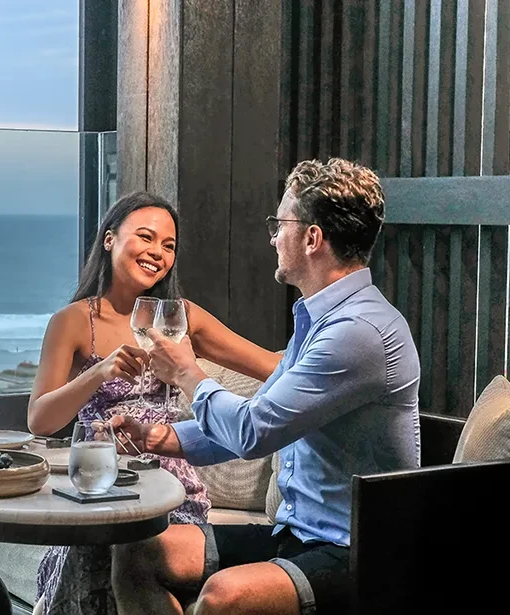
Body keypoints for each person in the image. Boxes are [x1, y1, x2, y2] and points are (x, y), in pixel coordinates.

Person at [110, 159, 421, 615]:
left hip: (356, 551)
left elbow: (253, 432)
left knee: (224, 597)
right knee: (139, 553)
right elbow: (255, 417)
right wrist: (157, 437)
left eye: (280, 224)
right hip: (296, 534)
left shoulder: (359, 331)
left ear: (312, 238)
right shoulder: (319, 320)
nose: (273, 237)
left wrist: (186, 373)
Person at [28, 191, 282, 615]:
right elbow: (39, 420)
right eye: (145, 237)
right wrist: (98, 372)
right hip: (100, 479)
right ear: (109, 239)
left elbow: (272, 369)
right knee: (89, 553)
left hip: (169, 485)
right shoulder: (72, 321)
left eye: (168, 245)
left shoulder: (180, 317)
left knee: (132, 554)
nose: (157, 253)